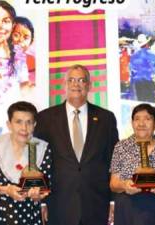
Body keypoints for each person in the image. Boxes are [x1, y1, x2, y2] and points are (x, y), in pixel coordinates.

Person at [34, 64, 119, 225]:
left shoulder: (106, 118)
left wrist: (113, 201)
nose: (76, 84)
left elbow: (114, 162)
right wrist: (42, 202)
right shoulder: (45, 118)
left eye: (81, 80)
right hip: (58, 203)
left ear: (89, 85)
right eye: (71, 80)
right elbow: (39, 163)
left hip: (96, 203)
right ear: (64, 84)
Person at [0, 101, 52, 225]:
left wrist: (38, 195)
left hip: (30, 216)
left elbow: (45, 187)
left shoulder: (42, 148)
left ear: (34, 124)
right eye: (18, 122)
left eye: (28, 122)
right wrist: (6, 190)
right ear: (9, 124)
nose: (24, 128)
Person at [109, 103, 155, 225]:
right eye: (137, 119)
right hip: (128, 208)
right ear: (132, 123)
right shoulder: (121, 147)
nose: (141, 124)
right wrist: (125, 185)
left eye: (147, 118)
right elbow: (113, 184)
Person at [129, 34, 155, 103]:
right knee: (151, 104)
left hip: (138, 82)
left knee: (141, 103)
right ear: (147, 44)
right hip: (149, 82)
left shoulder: (133, 56)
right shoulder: (153, 56)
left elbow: (131, 71)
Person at [12, 16, 35, 86]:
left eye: (26, 38)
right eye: (16, 35)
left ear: (31, 41)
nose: (21, 40)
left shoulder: (31, 59)